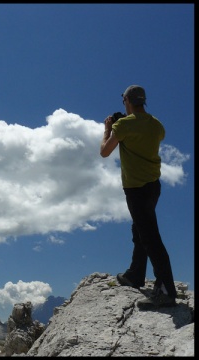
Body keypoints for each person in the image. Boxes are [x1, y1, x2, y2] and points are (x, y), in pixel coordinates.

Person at [100, 85, 177, 309]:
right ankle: (135, 274)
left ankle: (166, 292)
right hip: (153, 186)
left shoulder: (122, 125)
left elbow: (105, 151)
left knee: (150, 237)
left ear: (127, 100)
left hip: (135, 188)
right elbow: (145, 135)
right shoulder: (157, 125)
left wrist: (108, 129)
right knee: (141, 230)